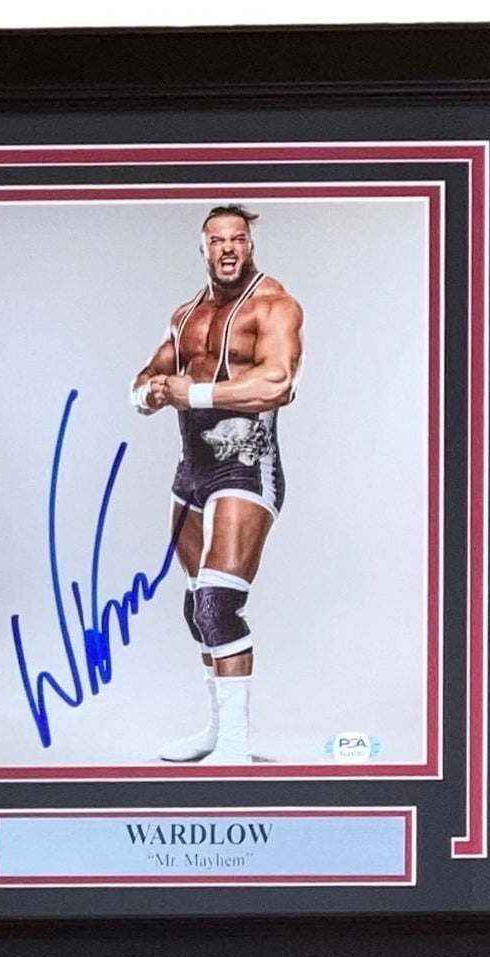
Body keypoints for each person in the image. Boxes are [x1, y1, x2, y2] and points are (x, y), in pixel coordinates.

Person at [130, 205, 304, 764]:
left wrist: (194, 393)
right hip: (192, 473)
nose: (228, 248)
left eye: (238, 239)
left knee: (218, 603)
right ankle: (214, 729)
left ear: (250, 245)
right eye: (217, 240)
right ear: (202, 249)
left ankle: (234, 745)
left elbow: (278, 383)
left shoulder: (274, 305)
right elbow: (145, 378)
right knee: (196, 608)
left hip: (245, 466)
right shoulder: (185, 316)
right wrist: (150, 394)